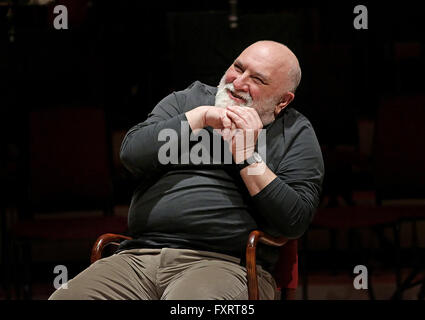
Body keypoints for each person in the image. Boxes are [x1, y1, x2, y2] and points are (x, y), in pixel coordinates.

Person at [49, 40, 324, 300]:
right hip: (138, 257)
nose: (238, 82)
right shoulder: (188, 100)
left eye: (257, 79)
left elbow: (294, 220)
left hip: (225, 265)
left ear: (283, 101)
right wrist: (199, 117)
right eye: (238, 68)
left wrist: (246, 157)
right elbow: (131, 154)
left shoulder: (294, 131)